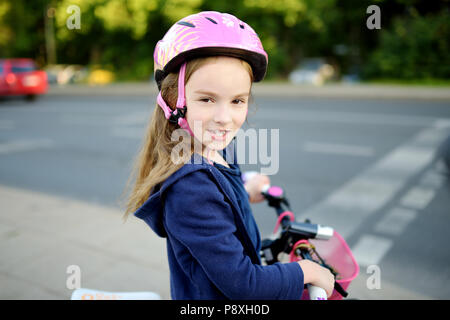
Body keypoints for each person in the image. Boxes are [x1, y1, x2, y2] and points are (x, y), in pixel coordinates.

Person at [124, 11, 334, 300]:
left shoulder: (213, 150)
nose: (224, 118)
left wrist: (244, 190)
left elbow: (219, 194)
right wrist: (307, 272)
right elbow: (244, 285)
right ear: (175, 101)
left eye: (237, 101)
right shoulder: (190, 187)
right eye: (207, 99)